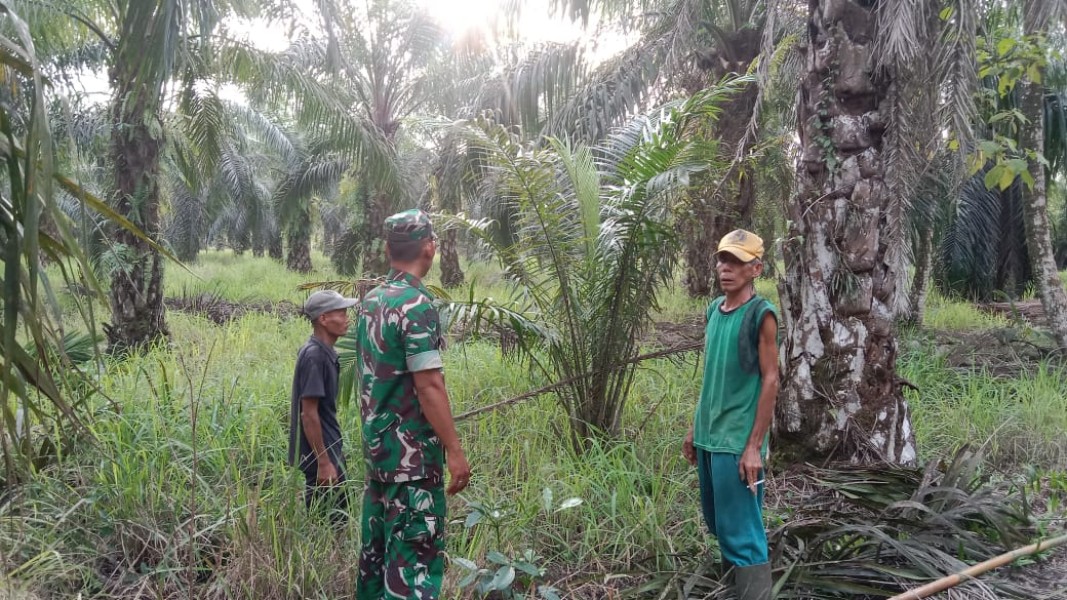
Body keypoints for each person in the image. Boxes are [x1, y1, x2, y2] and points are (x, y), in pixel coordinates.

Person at [355, 209, 471, 599]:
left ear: (388, 248)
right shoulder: (417, 305)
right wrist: (454, 451)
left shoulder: (370, 301)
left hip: (378, 456)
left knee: (376, 562)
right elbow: (429, 386)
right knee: (413, 572)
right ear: (429, 248)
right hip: (413, 465)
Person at [682, 229, 780, 600]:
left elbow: (771, 379)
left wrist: (754, 446)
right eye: (723, 259)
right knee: (720, 525)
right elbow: (711, 377)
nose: (727, 268)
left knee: (742, 533)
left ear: (756, 268)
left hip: (737, 441)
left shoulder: (761, 315)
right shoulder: (713, 311)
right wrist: (695, 429)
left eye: (737, 262)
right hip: (710, 435)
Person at [288, 289, 359, 523]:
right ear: (324, 319)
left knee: (333, 520)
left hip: (328, 449)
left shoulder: (324, 353)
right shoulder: (314, 357)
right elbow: (308, 414)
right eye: (341, 312)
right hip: (322, 455)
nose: (347, 318)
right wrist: (324, 462)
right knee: (330, 525)